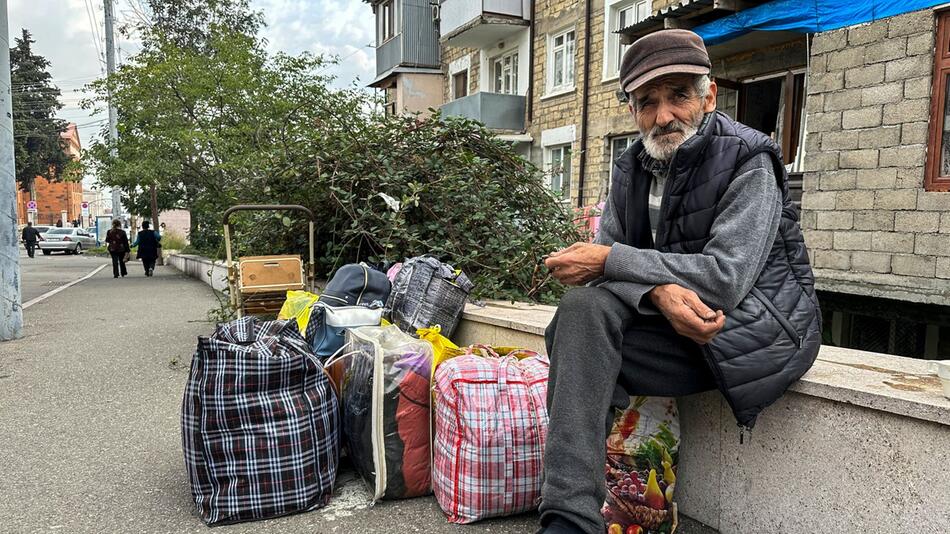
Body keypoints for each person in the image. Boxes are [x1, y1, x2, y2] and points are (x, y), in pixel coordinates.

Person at [538, 30, 821, 534]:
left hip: (740, 335)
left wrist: (612, 261)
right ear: (632, 111)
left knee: (586, 327)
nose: (664, 115)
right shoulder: (630, 168)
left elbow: (724, 279)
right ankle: (567, 519)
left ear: (708, 96)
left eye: (679, 96)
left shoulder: (749, 159)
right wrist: (654, 290)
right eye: (648, 102)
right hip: (670, 329)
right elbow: (611, 275)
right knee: (579, 313)